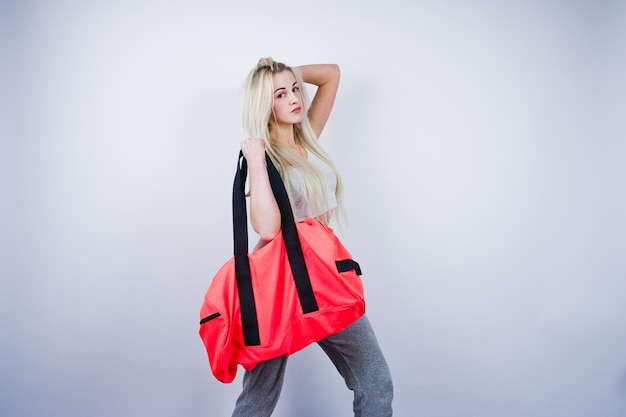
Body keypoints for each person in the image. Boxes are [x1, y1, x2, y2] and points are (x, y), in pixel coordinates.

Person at [235, 57, 394, 417]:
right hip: (279, 285)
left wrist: (284, 72)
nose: (294, 97)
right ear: (264, 104)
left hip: (325, 276)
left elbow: (331, 74)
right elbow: (267, 229)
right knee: (259, 398)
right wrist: (257, 161)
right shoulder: (267, 157)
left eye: (294, 89)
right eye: (280, 94)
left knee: (375, 379)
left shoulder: (307, 135)